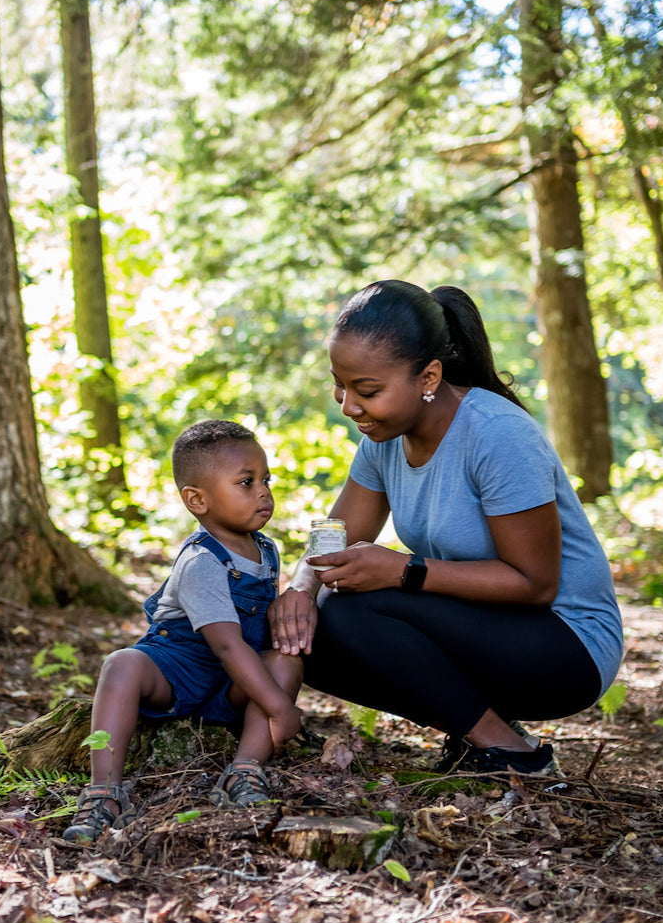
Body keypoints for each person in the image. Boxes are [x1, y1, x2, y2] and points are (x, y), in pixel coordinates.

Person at [268, 280, 623, 776]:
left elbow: (536, 584)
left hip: (568, 645)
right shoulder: (385, 437)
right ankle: (491, 733)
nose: (349, 406)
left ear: (428, 376)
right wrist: (300, 589)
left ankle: (511, 753)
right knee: (307, 632)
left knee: (353, 611)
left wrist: (403, 571)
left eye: (367, 390)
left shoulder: (497, 435)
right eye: (340, 385)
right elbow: (338, 533)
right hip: (485, 623)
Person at [65, 420, 303, 842]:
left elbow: (251, 641)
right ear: (197, 500)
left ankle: (244, 771)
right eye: (246, 482)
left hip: (231, 683)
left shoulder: (266, 549)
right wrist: (280, 709)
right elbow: (227, 646)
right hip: (178, 672)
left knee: (285, 659)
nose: (264, 492)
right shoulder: (202, 562)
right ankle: (104, 791)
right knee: (121, 664)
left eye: (266, 479)